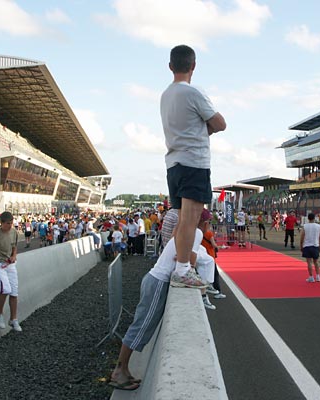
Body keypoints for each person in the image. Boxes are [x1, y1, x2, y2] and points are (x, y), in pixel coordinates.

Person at [109, 219, 208, 391]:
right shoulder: (196, 233)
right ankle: (119, 371)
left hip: (153, 279)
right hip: (158, 283)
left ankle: (123, 369)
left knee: (140, 325)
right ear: (205, 223)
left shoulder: (183, 229)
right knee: (141, 327)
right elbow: (185, 261)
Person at [160, 44, 226, 287]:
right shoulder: (193, 92)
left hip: (173, 163)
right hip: (193, 163)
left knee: (181, 220)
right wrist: (202, 131)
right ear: (193, 66)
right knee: (190, 219)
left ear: (170, 66)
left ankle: (172, 265)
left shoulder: (166, 95)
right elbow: (220, 123)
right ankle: (182, 269)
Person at [300, 213, 320, 283]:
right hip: (315, 245)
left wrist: (301, 245)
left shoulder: (305, 226)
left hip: (307, 245)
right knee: (316, 262)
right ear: (314, 218)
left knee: (309, 262)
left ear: (308, 218)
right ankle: (318, 276)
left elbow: (302, 237)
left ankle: (311, 277)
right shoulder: (318, 226)